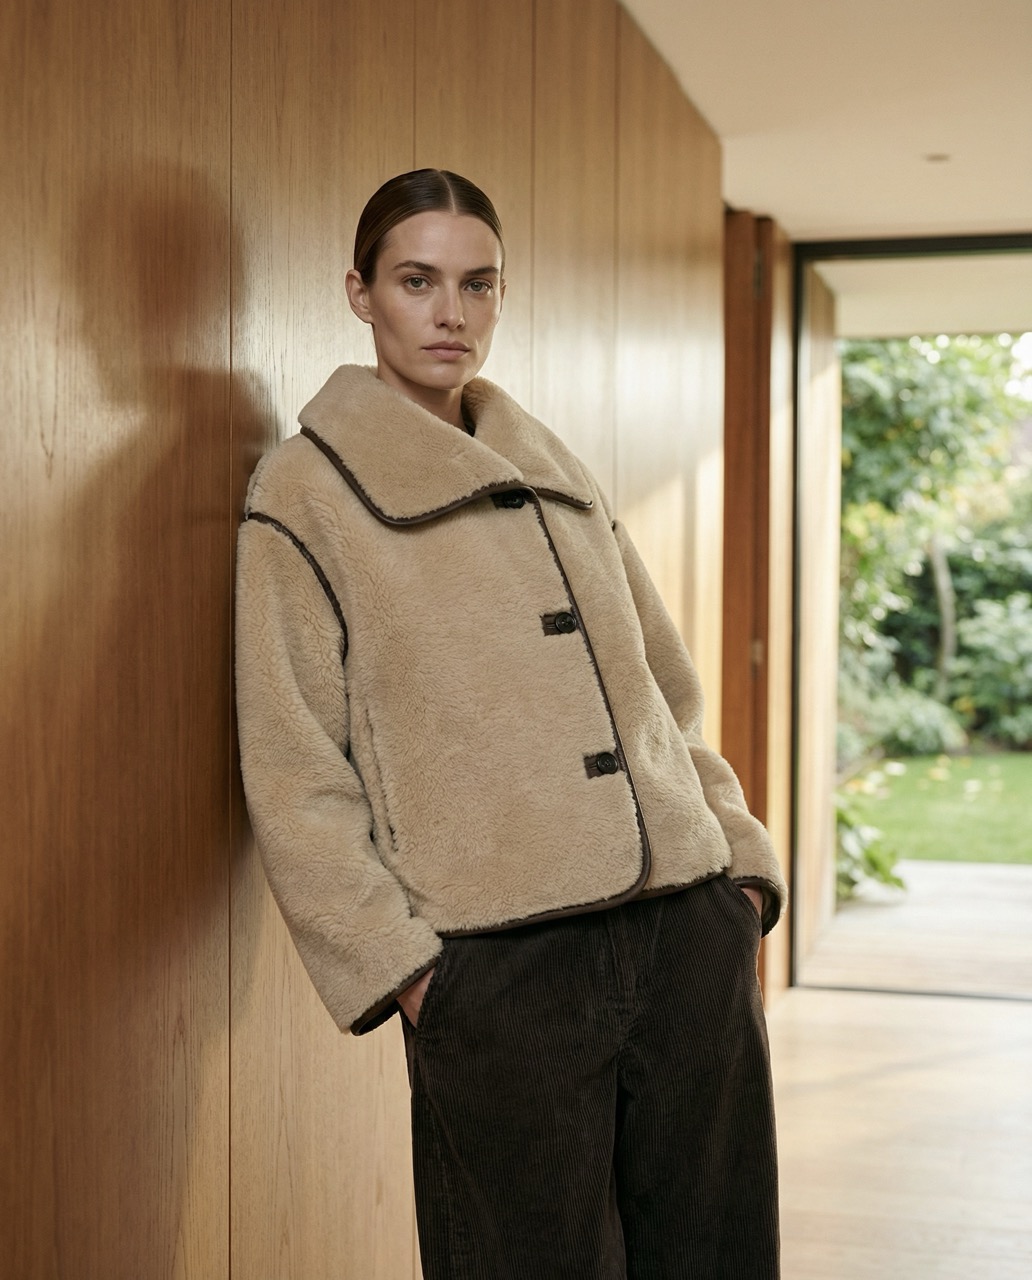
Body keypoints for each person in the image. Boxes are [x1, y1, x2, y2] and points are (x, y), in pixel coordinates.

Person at [235, 168, 787, 1279]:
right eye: (417, 281)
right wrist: (409, 973)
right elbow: (296, 770)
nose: (451, 312)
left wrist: (738, 870)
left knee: (717, 1254)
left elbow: (663, 691)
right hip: (500, 972)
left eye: (477, 283)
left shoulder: (555, 470)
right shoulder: (306, 494)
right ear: (360, 293)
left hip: (686, 932)